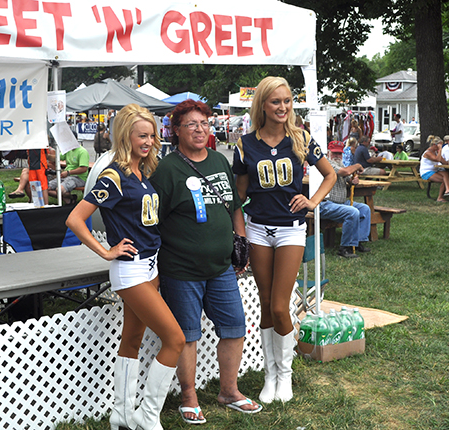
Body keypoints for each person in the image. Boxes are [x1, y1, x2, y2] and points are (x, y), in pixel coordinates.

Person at [66, 104, 184, 430]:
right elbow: (76, 218)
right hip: (130, 269)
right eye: (141, 136)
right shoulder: (114, 174)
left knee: (131, 339)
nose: (148, 141)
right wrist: (105, 251)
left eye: (151, 135)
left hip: (150, 266)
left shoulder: (142, 172)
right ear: (125, 136)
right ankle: (148, 417)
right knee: (174, 339)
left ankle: (121, 415)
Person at [149, 99, 262, 424]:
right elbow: (153, 219)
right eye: (192, 124)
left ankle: (229, 391)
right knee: (187, 334)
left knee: (234, 327)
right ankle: (189, 397)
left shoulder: (218, 160)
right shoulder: (167, 170)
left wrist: (240, 242)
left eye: (205, 124)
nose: (200, 130)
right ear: (176, 131)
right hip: (181, 270)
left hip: (221, 267)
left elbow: (234, 206)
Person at [233, 76, 336, 404]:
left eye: (288, 101)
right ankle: (270, 374)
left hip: (291, 228)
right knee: (265, 304)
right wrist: (237, 230)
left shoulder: (301, 138)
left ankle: (286, 374)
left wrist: (312, 200)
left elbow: (330, 173)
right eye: (276, 101)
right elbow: (240, 192)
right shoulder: (245, 143)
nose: (283, 107)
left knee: (280, 305)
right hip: (258, 227)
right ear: (262, 104)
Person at [320, 142, 371, 258]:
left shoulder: (341, 164)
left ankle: (358, 242)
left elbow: (347, 177)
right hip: (325, 203)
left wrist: (352, 181)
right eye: (334, 153)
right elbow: (345, 172)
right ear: (328, 153)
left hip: (340, 202)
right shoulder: (325, 162)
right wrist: (357, 165)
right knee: (352, 212)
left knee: (365, 209)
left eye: (340, 153)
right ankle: (345, 248)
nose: (337, 155)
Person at [420, 135, 449, 202]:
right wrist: (440, 150)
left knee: (446, 174)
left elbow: (443, 161)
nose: (440, 147)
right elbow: (437, 159)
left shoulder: (436, 152)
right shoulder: (428, 153)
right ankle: (440, 197)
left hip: (435, 170)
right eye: (439, 145)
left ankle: (447, 190)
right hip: (426, 172)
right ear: (434, 145)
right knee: (444, 180)